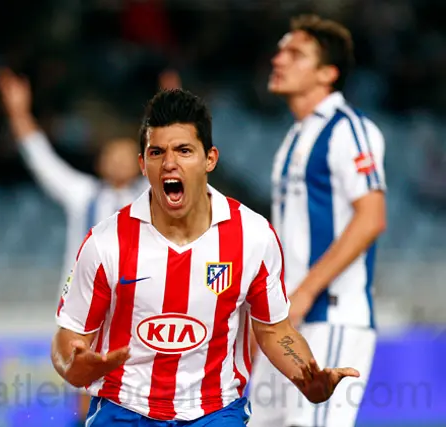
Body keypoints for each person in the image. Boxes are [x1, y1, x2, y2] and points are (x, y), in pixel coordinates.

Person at [51, 88, 359, 426]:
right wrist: (76, 367)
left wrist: (306, 377)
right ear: (143, 164)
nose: (170, 163)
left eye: (184, 150)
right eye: (157, 152)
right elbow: (69, 338)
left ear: (210, 158)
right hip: (125, 411)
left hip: (214, 413)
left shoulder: (253, 236)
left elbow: (274, 331)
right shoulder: (105, 243)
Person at [0, 68, 161, 426]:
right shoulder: (82, 195)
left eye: (124, 154)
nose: (117, 161)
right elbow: (41, 159)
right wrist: (19, 112)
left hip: (137, 309)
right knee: (86, 392)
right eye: (110, 154)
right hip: (86, 310)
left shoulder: (151, 200)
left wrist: (172, 115)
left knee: (135, 393)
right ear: (100, 162)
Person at [248, 15, 387, 427]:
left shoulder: (349, 129)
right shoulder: (296, 136)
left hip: (332, 314)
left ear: (328, 73)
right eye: (280, 49)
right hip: (289, 323)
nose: (279, 58)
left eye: (296, 53)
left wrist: (305, 291)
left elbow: (372, 217)